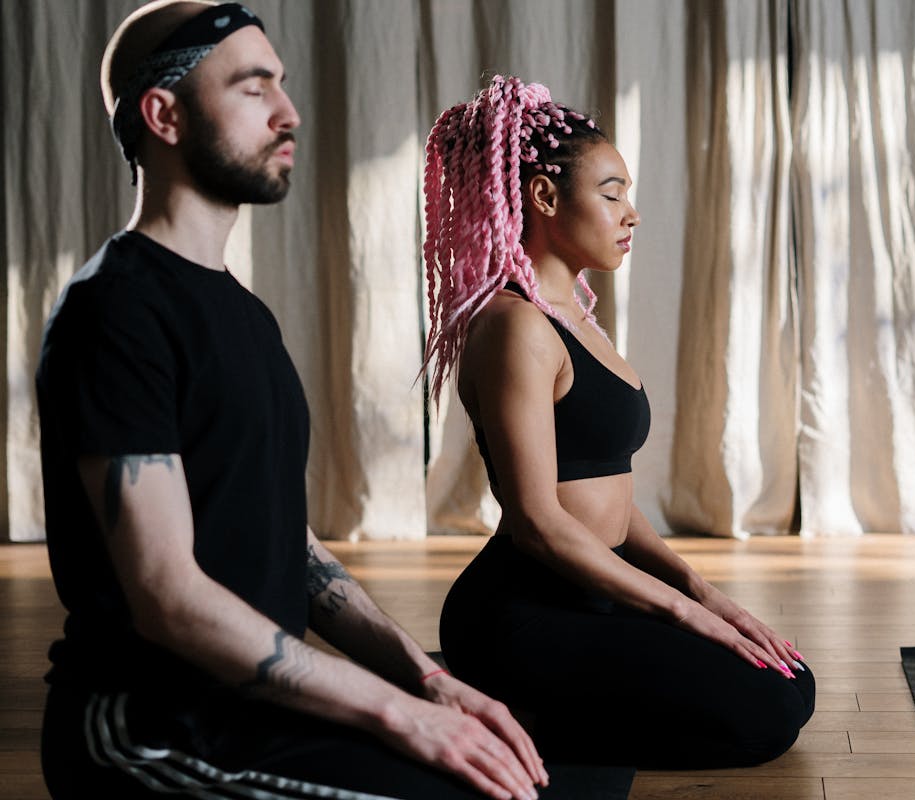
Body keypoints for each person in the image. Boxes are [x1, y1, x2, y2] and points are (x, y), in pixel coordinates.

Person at [35, 5, 588, 799]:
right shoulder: (114, 310)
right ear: (163, 114)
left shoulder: (244, 315)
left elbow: (289, 549)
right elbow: (168, 600)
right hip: (149, 731)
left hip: (256, 706)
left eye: (283, 86)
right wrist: (399, 716)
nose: (288, 112)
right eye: (253, 88)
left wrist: (426, 682)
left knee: (508, 780)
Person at [425, 75, 816, 768]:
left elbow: (609, 494)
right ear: (545, 197)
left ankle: (530, 711)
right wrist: (680, 614)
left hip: (595, 592)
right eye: (612, 194)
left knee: (790, 680)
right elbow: (538, 520)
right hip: (523, 613)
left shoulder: (575, 316)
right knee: (766, 713)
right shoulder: (517, 329)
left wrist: (700, 590)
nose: (631, 214)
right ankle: (509, 722)